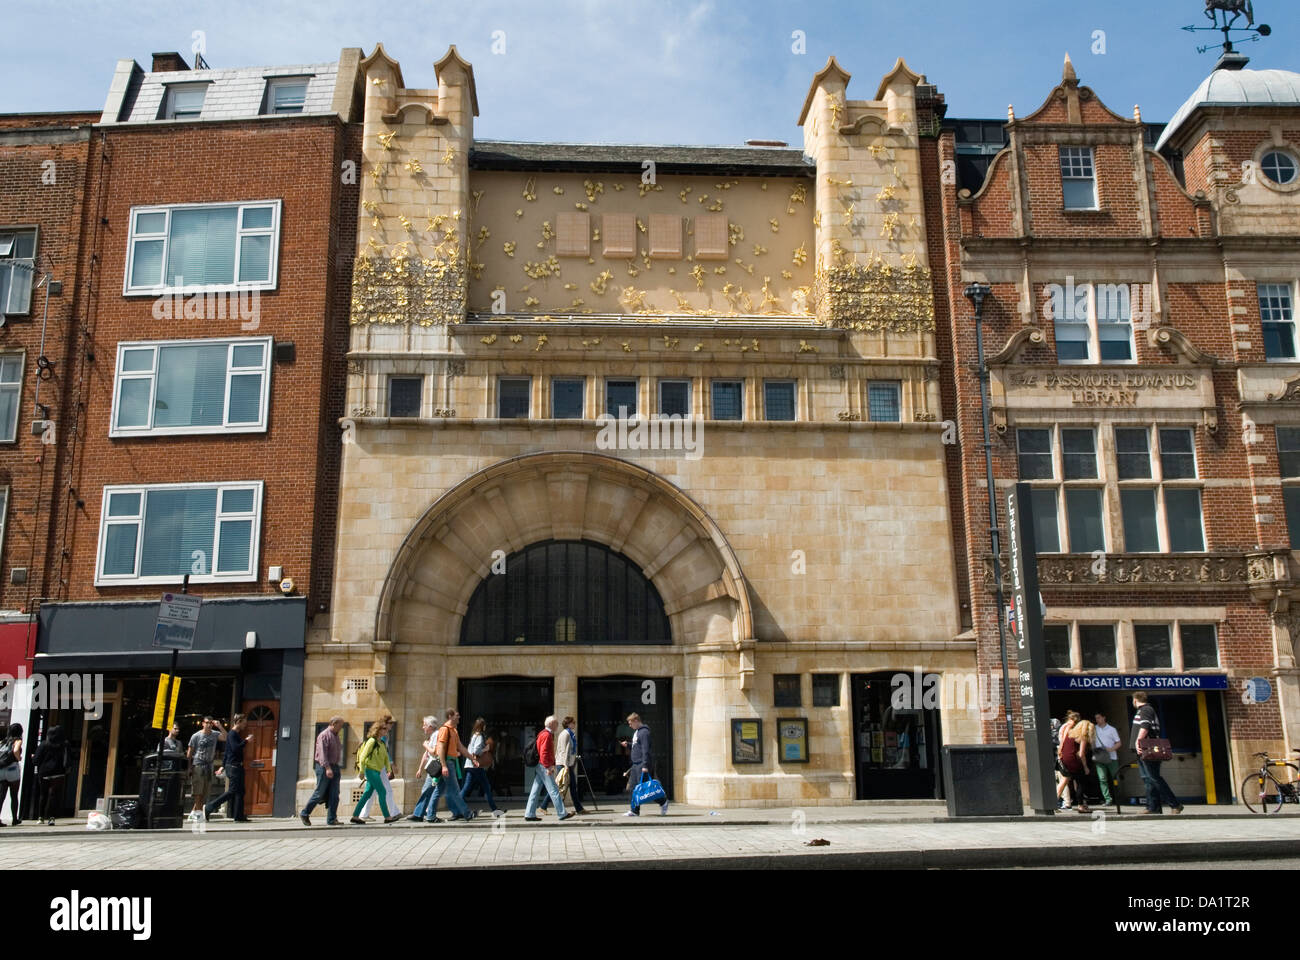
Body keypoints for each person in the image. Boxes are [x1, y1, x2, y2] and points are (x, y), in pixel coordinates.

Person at [1132, 692, 1183, 815]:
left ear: (1135, 700)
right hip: (1143, 750)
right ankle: (1152, 806)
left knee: (1154, 778)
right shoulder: (1143, 710)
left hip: (1147, 748)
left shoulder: (1146, 709)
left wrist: (1138, 741)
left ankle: (1175, 804)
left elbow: (1145, 726)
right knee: (1148, 779)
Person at [424, 709, 475, 823]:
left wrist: (472, 758)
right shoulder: (444, 730)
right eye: (457, 715)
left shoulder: (454, 731)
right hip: (447, 763)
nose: (459, 717)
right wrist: (444, 766)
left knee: (439, 790)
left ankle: (430, 816)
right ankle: (467, 813)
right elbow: (441, 748)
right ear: (450, 716)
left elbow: (461, 748)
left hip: (450, 762)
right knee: (455, 790)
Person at [351, 718, 401, 824]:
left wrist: (388, 770)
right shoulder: (372, 741)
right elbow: (363, 756)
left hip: (377, 771)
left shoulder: (381, 743)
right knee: (382, 792)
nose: (386, 730)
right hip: (370, 770)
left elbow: (385, 758)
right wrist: (361, 771)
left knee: (367, 794)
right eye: (384, 729)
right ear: (377, 730)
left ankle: (355, 816)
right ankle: (387, 816)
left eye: (387, 729)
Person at [205, 714, 253, 823]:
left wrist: (222, 765)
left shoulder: (234, 735)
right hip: (233, 766)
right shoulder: (232, 734)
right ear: (239, 722)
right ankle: (209, 807)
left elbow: (227, 751)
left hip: (237, 766)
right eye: (244, 723)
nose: (245, 726)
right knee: (232, 791)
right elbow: (235, 749)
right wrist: (246, 741)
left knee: (241, 791)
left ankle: (238, 816)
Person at [524, 715, 572, 822]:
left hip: (540, 765)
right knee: (554, 789)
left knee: (535, 790)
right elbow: (544, 753)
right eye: (556, 723)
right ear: (551, 724)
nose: (557, 725)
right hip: (544, 766)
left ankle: (529, 813)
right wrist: (548, 766)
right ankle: (562, 813)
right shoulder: (546, 735)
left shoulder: (542, 733)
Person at [300, 716, 344, 826]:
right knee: (320, 793)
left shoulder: (336, 736)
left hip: (335, 766)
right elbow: (322, 754)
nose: (341, 727)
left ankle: (332, 819)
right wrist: (327, 768)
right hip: (324, 767)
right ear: (334, 723)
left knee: (335, 794)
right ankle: (305, 813)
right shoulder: (324, 735)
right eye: (340, 725)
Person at [621, 712, 667, 817]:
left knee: (647, 789)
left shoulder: (644, 732)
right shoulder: (637, 732)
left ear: (636, 721)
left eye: (631, 723)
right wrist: (628, 745)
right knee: (633, 788)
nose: (629, 725)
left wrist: (645, 765)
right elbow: (638, 746)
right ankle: (634, 811)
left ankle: (663, 801)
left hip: (642, 764)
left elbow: (645, 749)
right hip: (635, 764)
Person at [186, 716, 226, 821]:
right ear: (203, 723)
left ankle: (193, 813)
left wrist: (220, 726)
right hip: (198, 765)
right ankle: (199, 815)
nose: (209, 725)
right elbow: (189, 753)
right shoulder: (196, 736)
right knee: (198, 792)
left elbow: (226, 737)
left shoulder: (214, 734)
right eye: (207, 723)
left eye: (211, 723)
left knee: (204, 793)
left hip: (209, 765)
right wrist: (189, 767)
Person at [459, 717, 499, 814]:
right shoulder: (480, 737)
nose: (485, 727)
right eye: (484, 725)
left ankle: (457, 806)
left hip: (470, 764)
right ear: (482, 726)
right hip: (476, 765)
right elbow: (476, 751)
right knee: (486, 787)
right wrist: (485, 750)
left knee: (467, 787)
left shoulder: (473, 736)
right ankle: (495, 811)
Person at [33, 724, 71, 826]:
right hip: (59, 772)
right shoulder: (65, 744)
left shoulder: (44, 744)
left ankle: (40, 817)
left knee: (43, 794)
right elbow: (68, 759)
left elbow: (36, 760)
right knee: (54, 796)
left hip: (44, 772)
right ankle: (52, 817)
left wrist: (33, 757)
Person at [1058, 719, 1094, 814]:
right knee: (1081, 782)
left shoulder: (1070, 733)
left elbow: (1062, 745)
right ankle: (1081, 806)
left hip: (1065, 760)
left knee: (1065, 781)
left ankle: (1054, 802)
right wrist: (1085, 767)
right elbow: (1081, 754)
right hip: (1073, 760)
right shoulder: (1083, 737)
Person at [551, 715, 585, 815]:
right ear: (568, 724)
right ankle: (563, 810)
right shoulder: (566, 734)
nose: (574, 724)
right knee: (562, 787)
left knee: (568, 786)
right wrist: (565, 765)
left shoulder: (568, 733)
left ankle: (579, 809)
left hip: (564, 763)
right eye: (573, 722)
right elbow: (565, 751)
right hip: (564, 764)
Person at [408, 716, 439, 820]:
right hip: (432, 768)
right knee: (434, 790)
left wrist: (426, 745)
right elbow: (425, 755)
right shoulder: (431, 736)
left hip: (435, 768)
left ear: (430, 726)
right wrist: (420, 769)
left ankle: (419, 814)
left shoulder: (435, 735)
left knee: (428, 790)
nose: (423, 727)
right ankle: (424, 813)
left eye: (424, 725)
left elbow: (434, 752)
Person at [1093, 712, 1122, 807]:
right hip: (1099, 757)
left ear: (1104, 718)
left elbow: (1119, 743)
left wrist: (1111, 749)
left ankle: (1117, 797)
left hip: (1111, 757)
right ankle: (1107, 799)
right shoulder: (1094, 729)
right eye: (1096, 718)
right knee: (1102, 778)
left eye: (1099, 718)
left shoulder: (1111, 729)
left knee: (1114, 777)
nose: (1097, 720)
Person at [1055, 710, 1080, 808]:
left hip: (1062, 753)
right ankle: (1058, 800)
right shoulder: (1069, 726)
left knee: (1065, 778)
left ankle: (1065, 801)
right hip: (1065, 754)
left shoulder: (1063, 726)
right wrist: (1061, 751)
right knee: (1065, 779)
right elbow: (1064, 740)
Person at [0, 722, 22, 826]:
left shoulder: (2, 742)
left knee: (1, 795)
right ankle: (14, 819)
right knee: (14, 795)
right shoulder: (17, 740)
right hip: (12, 769)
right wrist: (18, 758)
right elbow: (16, 750)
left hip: (1, 769)